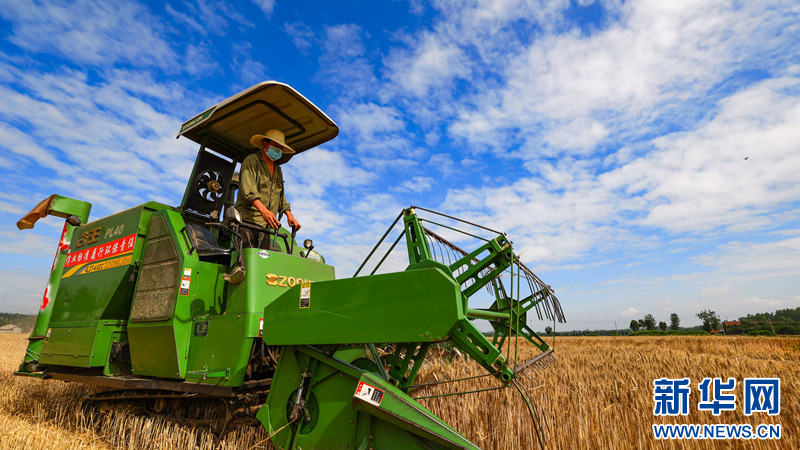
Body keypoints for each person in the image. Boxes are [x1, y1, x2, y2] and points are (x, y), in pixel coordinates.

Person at [235, 129, 301, 249]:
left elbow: (281, 196)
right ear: (265, 144)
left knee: (262, 262)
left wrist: (289, 215)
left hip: (266, 227)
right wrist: (264, 211)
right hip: (248, 222)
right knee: (244, 262)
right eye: (276, 146)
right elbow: (248, 191)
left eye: (281, 147)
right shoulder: (251, 161)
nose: (279, 150)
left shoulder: (278, 170)